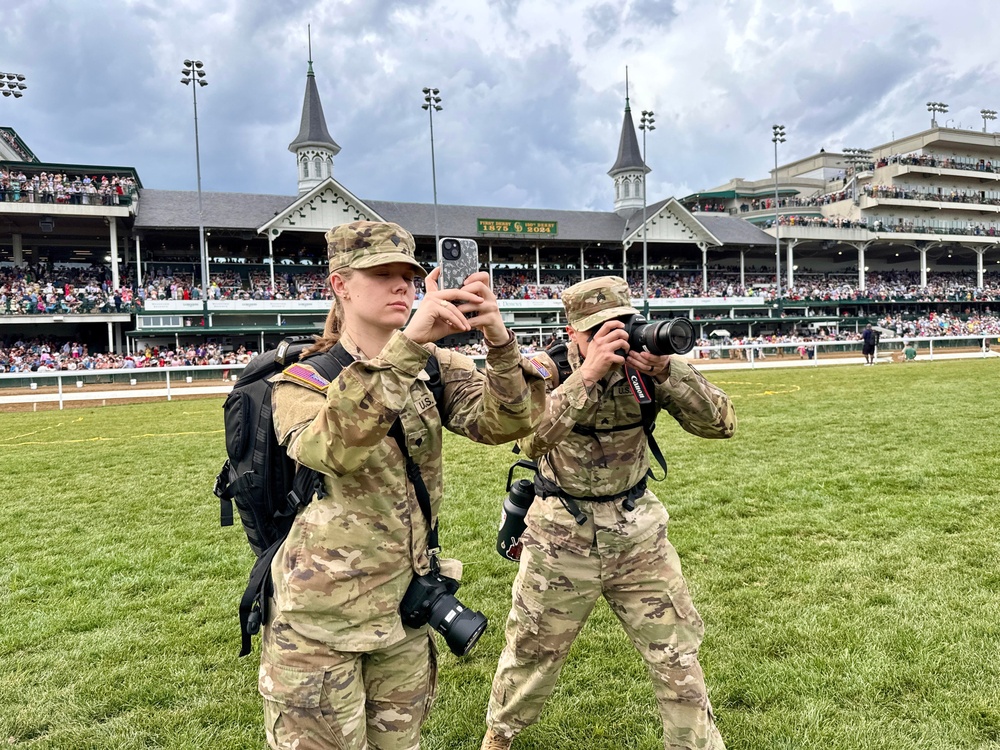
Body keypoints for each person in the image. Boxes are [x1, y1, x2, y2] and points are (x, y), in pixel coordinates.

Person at [259, 221, 546, 750]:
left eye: (409, 275)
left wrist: (498, 340)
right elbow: (334, 450)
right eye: (382, 274)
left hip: (404, 611)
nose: (402, 286)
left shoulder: (433, 368)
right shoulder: (303, 380)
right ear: (339, 285)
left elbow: (509, 421)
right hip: (321, 627)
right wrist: (410, 343)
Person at [481, 276, 737, 750]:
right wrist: (587, 376)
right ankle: (499, 736)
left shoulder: (648, 367)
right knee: (532, 653)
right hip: (561, 536)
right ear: (572, 331)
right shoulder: (550, 369)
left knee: (677, 655)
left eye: (621, 324)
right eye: (598, 328)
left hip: (637, 533)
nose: (613, 335)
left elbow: (722, 424)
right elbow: (528, 439)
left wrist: (667, 373)